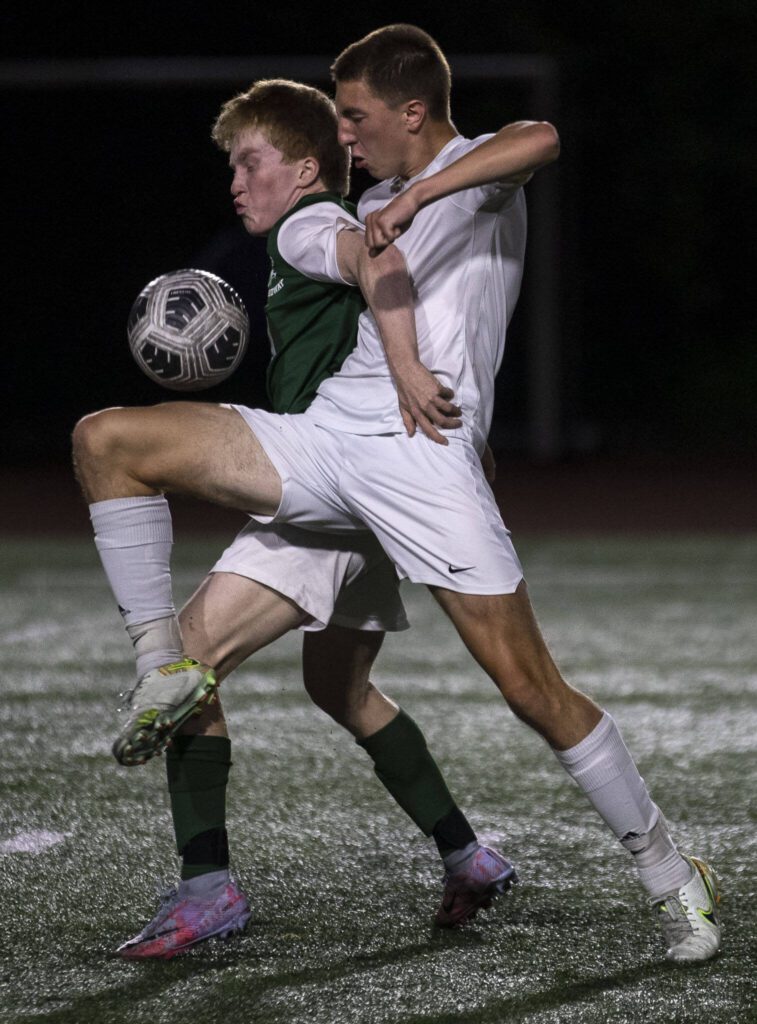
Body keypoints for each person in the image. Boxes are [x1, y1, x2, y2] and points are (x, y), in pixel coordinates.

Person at [72, 26, 721, 964]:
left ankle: (670, 871)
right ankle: (171, 709)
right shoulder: (359, 205)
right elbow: (366, 268)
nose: (345, 134)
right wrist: (385, 235)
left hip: (426, 460)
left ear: (410, 111)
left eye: (355, 115)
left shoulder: (470, 174)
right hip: (333, 441)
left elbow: (537, 136)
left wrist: (416, 209)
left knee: (529, 690)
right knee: (107, 439)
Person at [79, 78, 514, 959]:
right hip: (378, 500)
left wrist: (393, 362)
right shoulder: (312, 236)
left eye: (250, 163)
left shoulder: (308, 224)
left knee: (184, 662)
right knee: (339, 688)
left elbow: (362, 255)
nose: (236, 183)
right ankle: (468, 856)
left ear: (306, 168)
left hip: (333, 495)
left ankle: (206, 893)